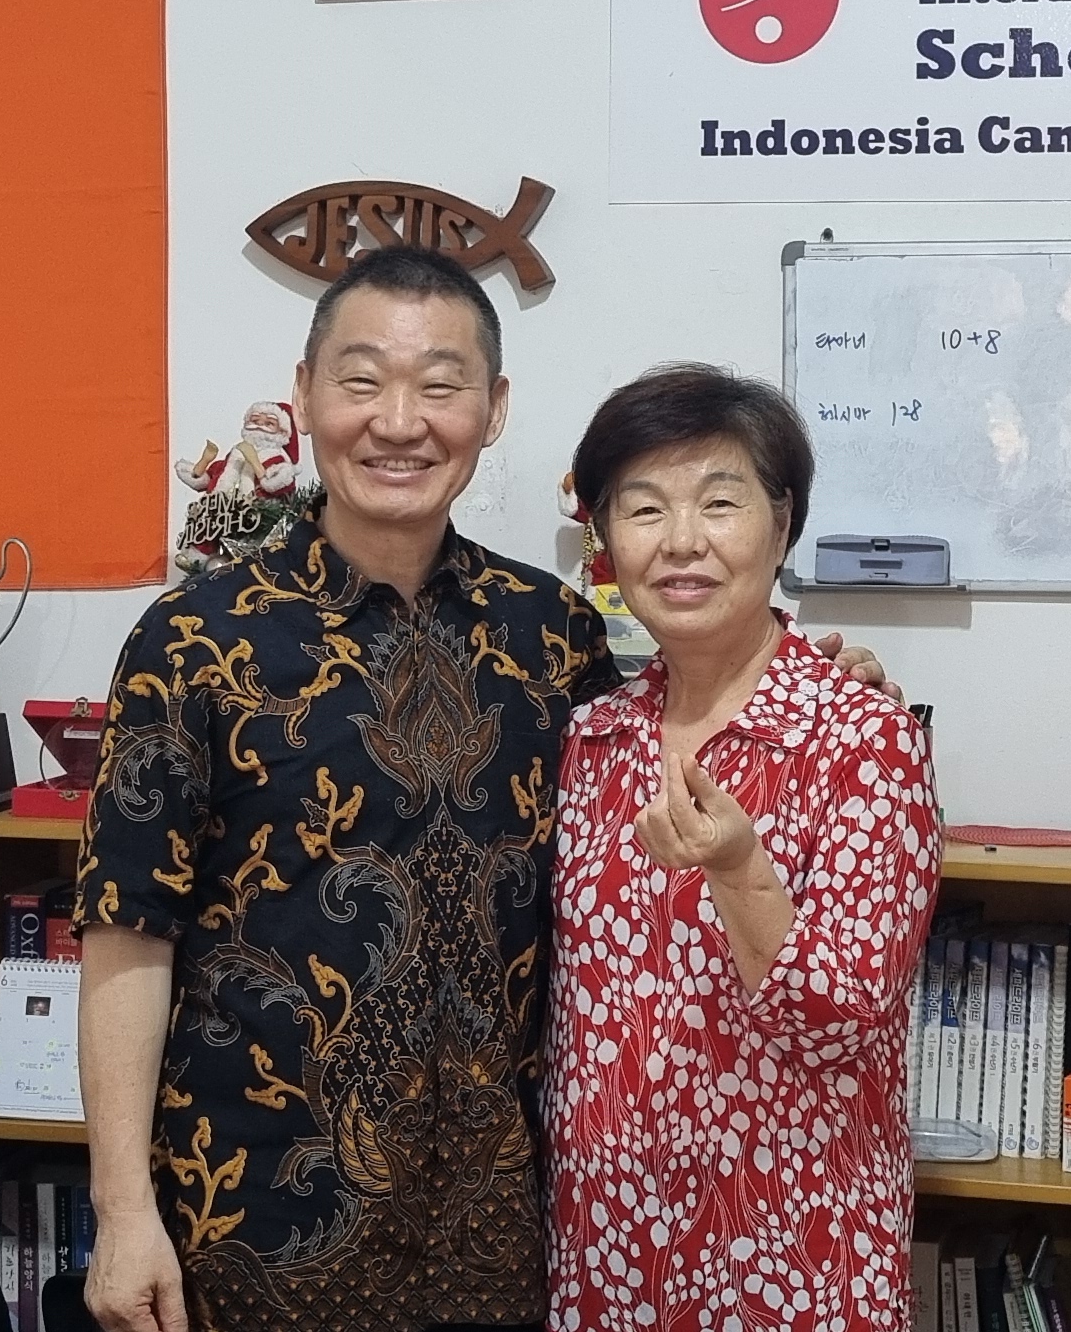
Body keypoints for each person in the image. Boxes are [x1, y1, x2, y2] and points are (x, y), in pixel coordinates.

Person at [75, 249, 894, 1332]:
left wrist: (816, 671)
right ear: (305, 395)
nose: (398, 422)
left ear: (494, 408)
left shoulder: (552, 638)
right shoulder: (191, 640)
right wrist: (122, 1209)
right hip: (260, 1224)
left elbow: (688, 720)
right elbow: (126, 930)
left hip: (507, 1239)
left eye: (440, 385)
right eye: (361, 380)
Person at [545, 364, 941, 1332]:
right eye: (643, 508)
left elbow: (838, 1022)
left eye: (719, 503)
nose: (681, 541)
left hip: (790, 1258)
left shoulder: (863, 740)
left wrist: (737, 868)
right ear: (606, 540)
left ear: (781, 521)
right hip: (605, 1254)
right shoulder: (594, 738)